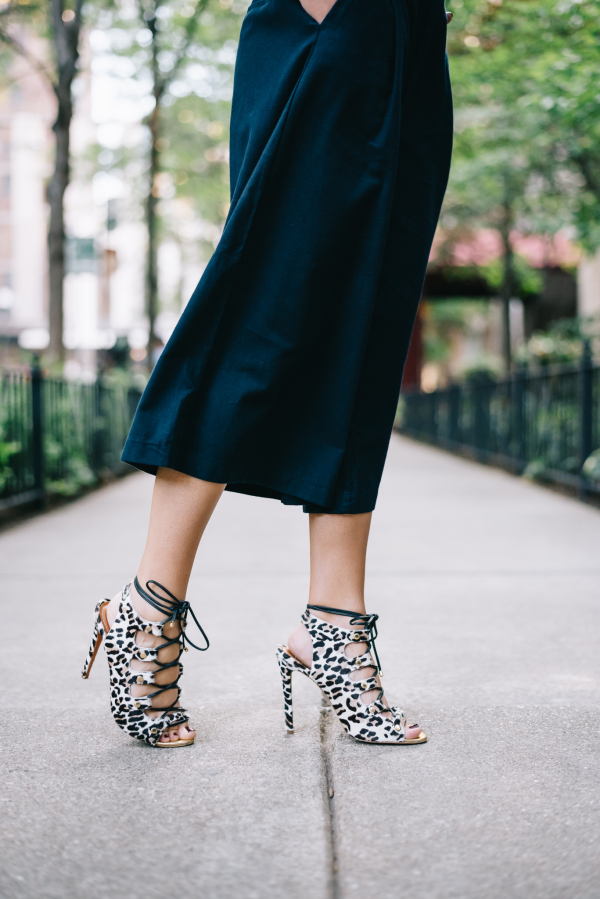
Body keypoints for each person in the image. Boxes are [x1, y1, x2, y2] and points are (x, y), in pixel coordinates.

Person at [82, 0, 453, 747]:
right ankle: (148, 604)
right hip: (332, 19)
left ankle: (333, 617)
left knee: (369, 328)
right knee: (260, 310)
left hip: (411, 33)